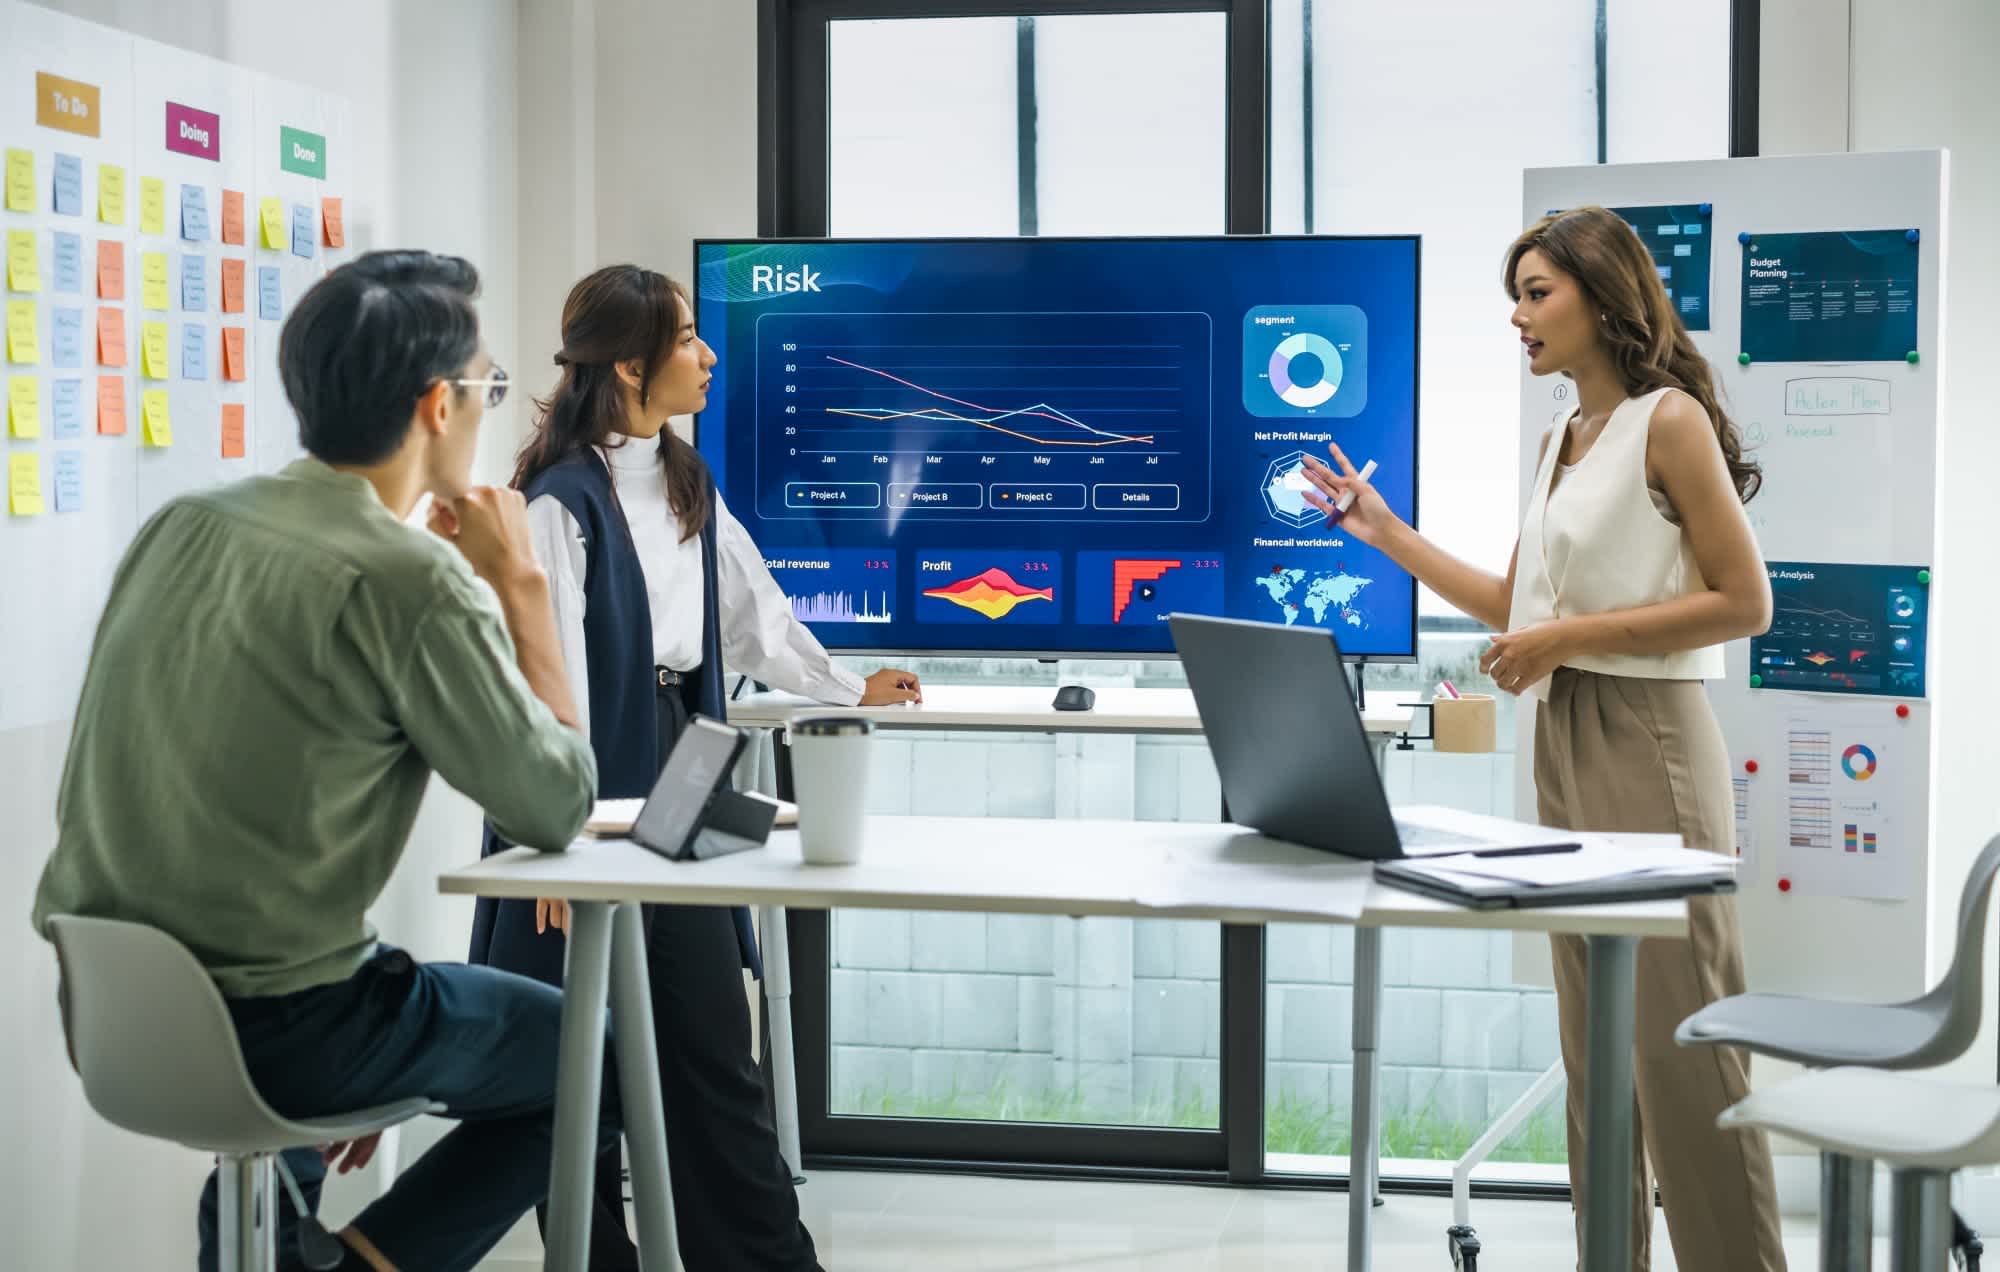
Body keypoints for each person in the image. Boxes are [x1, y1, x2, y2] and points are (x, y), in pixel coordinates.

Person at [31, 250, 619, 1272]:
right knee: (594, 1060)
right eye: (485, 388)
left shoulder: (182, 526)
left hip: (113, 1012)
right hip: (291, 1030)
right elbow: (556, 804)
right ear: (437, 405)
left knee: (333, 1036)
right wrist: (520, 587)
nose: (486, 410)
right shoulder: (408, 578)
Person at [1299, 206, 1785, 1271]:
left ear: (1603, 298)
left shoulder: (1667, 422)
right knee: (1595, 1044)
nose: (1517, 318)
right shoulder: (1560, 439)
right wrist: (1382, 532)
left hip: (1648, 737)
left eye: (1535, 294)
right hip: (1561, 734)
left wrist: (1565, 638)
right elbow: (1513, 605)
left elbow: (1744, 602)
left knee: (1684, 1048)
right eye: (1513, 298)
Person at [468, 263, 917, 1270]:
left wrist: (849, 688)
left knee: (711, 1037)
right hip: (585, 779)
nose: (708, 355)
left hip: (678, 760)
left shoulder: (683, 480)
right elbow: (548, 676)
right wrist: (557, 841)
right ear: (630, 366)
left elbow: (755, 618)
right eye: (685, 339)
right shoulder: (558, 500)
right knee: (574, 1059)